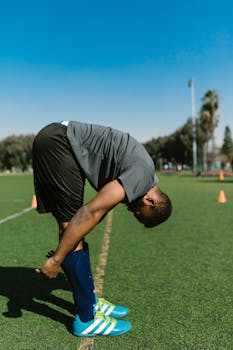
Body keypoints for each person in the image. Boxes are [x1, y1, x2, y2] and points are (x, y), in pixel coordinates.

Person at [32, 121, 172, 337]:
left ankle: (90, 300)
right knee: (71, 224)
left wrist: (69, 243)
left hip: (61, 142)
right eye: (138, 212)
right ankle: (86, 319)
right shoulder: (140, 177)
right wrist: (57, 259)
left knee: (75, 229)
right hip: (60, 143)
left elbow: (97, 213)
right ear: (151, 201)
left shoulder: (144, 175)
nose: (132, 211)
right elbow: (90, 213)